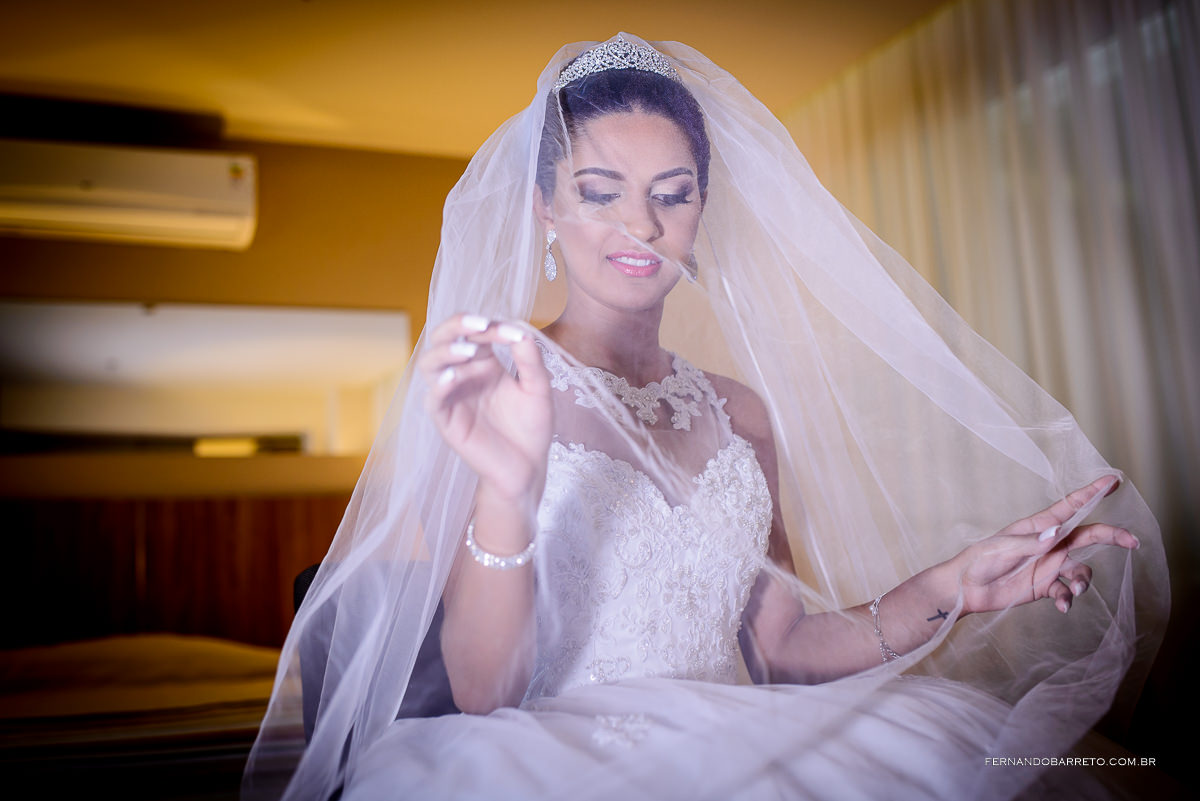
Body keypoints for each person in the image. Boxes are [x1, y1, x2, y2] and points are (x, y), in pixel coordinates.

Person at [244, 35, 1168, 801]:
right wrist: (510, 483)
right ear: (546, 209)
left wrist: (953, 585)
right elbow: (481, 690)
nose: (638, 226)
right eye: (600, 191)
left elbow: (782, 647)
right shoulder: (492, 386)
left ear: (700, 210)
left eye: (671, 193)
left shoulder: (741, 412)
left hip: (756, 734)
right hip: (561, 759)